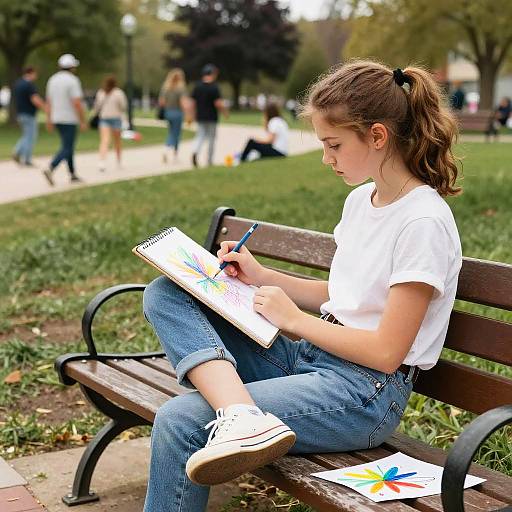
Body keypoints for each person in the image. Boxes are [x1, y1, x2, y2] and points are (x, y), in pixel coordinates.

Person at [142, 60, 462, 512]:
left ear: (377, 136)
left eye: (334, 144)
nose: (326, 158)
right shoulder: (361, 201)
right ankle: (240, 415)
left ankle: (239, 417)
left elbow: (387, 352)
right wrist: (262, 277)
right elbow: (343, 295)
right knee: (167, 292)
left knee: (183, 419)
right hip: (311, 362)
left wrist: (294, 320)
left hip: (363, 394)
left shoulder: (422, 222)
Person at [42, 53, 86, 185]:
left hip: (56, 118)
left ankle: (72, 174)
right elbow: (77, 102)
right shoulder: (73, 80)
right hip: (69, 118)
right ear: (71, 67)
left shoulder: (52, 80)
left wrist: (48, 119)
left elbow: (48, 102)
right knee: (67, 147)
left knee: (68, 146)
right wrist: (83, 120)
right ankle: (51, 168)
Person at [190, 64, 228, 167]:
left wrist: (191, 115)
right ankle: (209, 160)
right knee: (211, 139)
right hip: (211, 116)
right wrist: (225, 112)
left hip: (200, 116)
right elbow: (218, 103)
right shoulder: (214, 87)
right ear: (212, 73)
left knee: (200, 136)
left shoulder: (197, 86)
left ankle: (195, 150)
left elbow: (192, 103)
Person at [12, 66, 47, 166]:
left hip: (20, 113)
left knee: (26, 135)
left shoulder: (18, 84)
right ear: (31, 73)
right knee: (30, 137)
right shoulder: (29, 85)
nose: (36, 76)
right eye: (35, 74)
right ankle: (26, 158)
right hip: (29, 114)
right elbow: (35, 99)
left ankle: (17, 151)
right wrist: (45, 108)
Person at [93, 75, 127, 171]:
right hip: (116, 119)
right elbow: (123, 107)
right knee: (117, 141)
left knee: (105, 140)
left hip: (104, 119)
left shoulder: (101, 93)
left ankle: (102, 162)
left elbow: (96, 107)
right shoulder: (119, 93)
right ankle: (119, 161)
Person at [159, 68, 189, 163]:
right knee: (176, 134)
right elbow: (183, 103)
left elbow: (161, 102)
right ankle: (167, 150)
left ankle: (175, 155)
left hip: (168, 112)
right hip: (177, 113)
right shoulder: (181, 88)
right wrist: (187, 113)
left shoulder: (165, 88)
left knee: (172, 132)